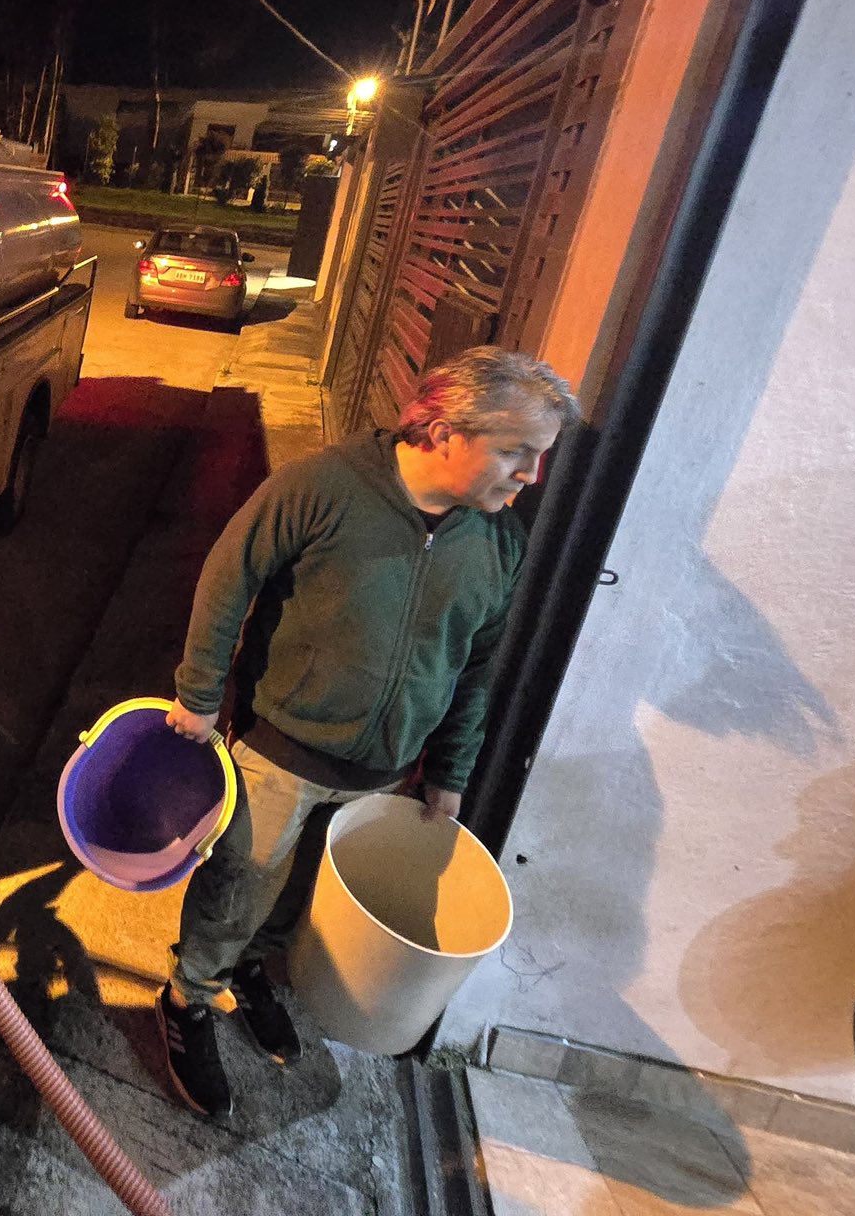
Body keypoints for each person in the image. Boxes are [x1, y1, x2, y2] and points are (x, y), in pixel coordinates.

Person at [155, 346, 579, 1119]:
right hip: (281, 745)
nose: (530, 477)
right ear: (448, 429)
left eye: (537, 458)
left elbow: (476, 666)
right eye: (516, 453)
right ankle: (187, 999)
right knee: (240, 884)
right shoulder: (326, 486)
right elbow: (230, 572)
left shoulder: (497, 544)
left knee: (302, 895)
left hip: (384, 771)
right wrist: (199, 692)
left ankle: (252, 973)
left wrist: (450, 773)